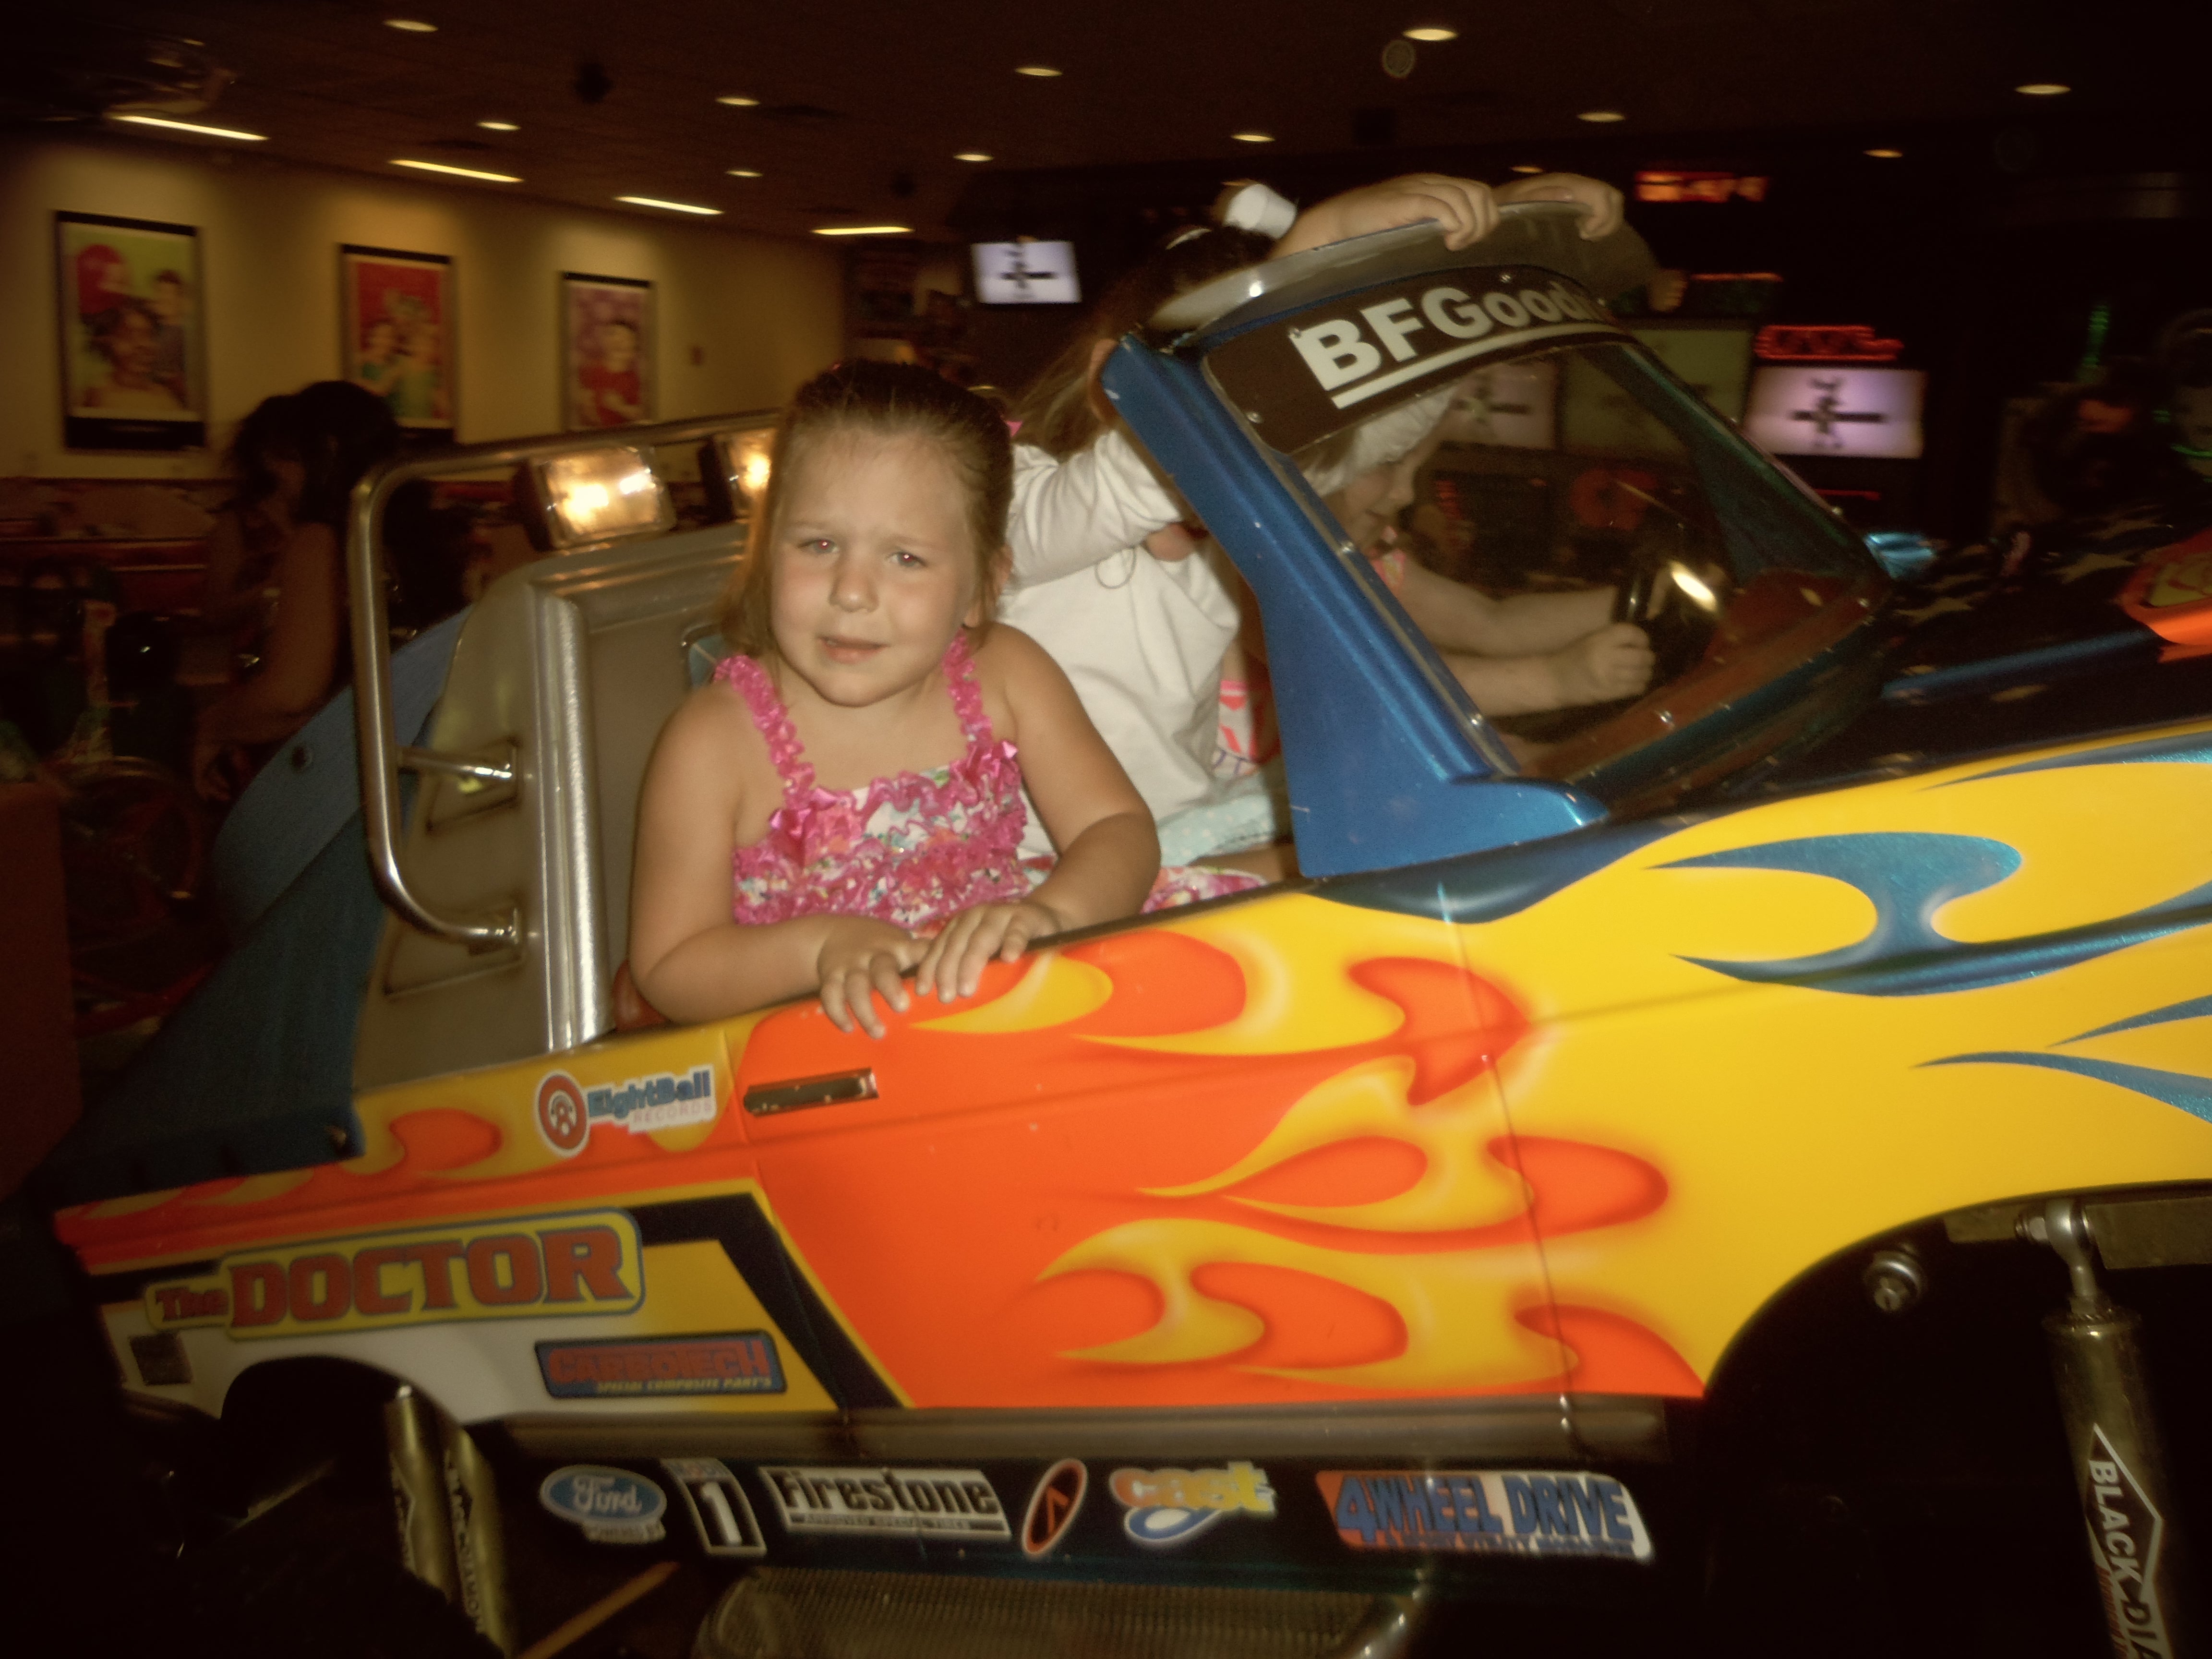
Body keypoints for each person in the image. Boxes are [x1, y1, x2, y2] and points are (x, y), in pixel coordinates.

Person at [1001, 172, 1632, 875]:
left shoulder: (1232, 522)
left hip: (1173, 838)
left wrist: (1474, 254)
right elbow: (1167, 451)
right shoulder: (1009, 504)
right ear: (1107, 387)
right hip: (1041, 870)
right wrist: (1319, 243)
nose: (1230, 470)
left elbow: (1375, 426)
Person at [628, 361, 1250, 1037]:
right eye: (819, 544)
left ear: (985, 585)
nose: (852, 592)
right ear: (766, 550)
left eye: (906, 558)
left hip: (1009, 1002)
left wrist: (1054, 916)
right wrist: (819, 950)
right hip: (835, 1046)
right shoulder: (715, 741)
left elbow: (1116, 826)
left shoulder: (1006, 673)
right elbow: (670, 965)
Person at [192, 382, 402, 799]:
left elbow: (291, 696)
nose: (281, 473)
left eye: (291, 455)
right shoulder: (404, 532)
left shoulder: (320, 539)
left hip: (340, 770)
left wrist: (211, 726)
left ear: (324, 453)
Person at [78, 301, 184, 413]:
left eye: (149, 336)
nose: (144, 345)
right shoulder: (96, 397)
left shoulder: (165, 398)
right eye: (130, 337)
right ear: (109, 343)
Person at [576, 318, 646, 426]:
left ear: (634, 351)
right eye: (612, 334)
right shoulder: (590, 370)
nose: (617, 340)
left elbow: (642, 415)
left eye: (626, 338)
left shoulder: (635, 381)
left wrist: (620, 407)